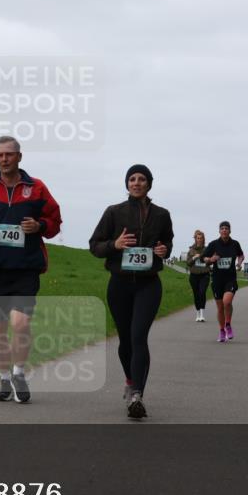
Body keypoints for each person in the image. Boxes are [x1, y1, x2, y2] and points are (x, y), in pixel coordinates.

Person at [0, 136, 62, 404]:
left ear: (19, 156)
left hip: (25, 269)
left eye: (9, 154)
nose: (4, 159)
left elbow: (55, 221)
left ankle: (19, 373)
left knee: (21, 323)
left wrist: (39, 226)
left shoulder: (37, 188)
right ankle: (4, 378)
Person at [89, 165, 173, 418]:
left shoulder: (162, 214)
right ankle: (129, 380)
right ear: (127, 184)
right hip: (119, 284)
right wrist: (114, 244)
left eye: (142, 179)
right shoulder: (114, 212)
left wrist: (163, 251)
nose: (136, 183)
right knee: (125, 340)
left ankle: (137, 394)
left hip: (148, 284)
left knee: (138, 337)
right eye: (132, 179)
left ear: (149, 184)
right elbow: (94, 245)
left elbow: (167, 242)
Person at [203, 221, 244, 343]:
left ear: (230, 231)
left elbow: (241, 255)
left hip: (230, 278)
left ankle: (228, 324)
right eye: (222, 228)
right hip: (217, 279)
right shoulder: (214, 244)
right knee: (220, 307)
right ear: (219, 231)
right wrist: (211, 259)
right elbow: (204, 258)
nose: (224, 230)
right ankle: (221, 331)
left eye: (226, 228)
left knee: (227, 302)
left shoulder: (235, 244)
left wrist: (239, 263)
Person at [186, 230, 210, 322]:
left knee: (202, 292)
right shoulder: (191, 250)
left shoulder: (207, 249)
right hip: (194, 275)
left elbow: (211, 261)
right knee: (196, 294)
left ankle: (202, 314)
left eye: (201, 238)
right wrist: (194, 257)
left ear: (203, 239)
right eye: (198, 238)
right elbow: (188, 263)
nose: (199, 240)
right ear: (195, 239)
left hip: (204, 275)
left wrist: (208, 260)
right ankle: (197, 313)